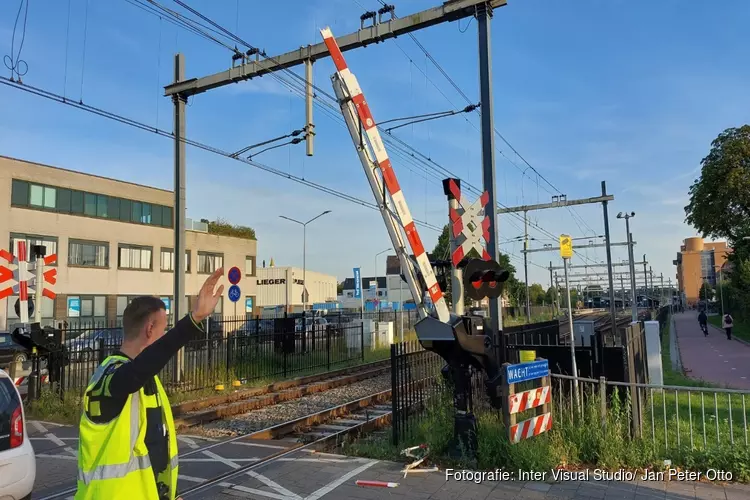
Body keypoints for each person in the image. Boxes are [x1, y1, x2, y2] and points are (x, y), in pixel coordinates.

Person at [75, 268, 225, 500]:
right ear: (149, 329)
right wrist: (193, 319)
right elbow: (136, 372)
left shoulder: (148, 381)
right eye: (164, 329)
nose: (164, 335)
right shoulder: (111, 377)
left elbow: (154, 446)